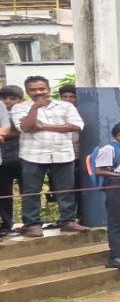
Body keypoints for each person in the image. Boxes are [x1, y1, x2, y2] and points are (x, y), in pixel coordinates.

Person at [12, 75, 87, 236]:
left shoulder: (65, 106)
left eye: (41, 88)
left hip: (63, 154)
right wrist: (35, 108)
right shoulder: (20, 108)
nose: (38, 92)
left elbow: (76, 126)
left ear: (48, 89)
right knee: (31, 190)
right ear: (27, 91)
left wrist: (44, 126)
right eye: (33, 90)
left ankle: (68, 221)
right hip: (32, 155)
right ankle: (32, 224)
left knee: (66, 189)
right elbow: (26, 127)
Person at [92, 123, 120, 268]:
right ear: (118, 135)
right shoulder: (109, 149)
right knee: (117, 221)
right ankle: (116, 256)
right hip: (115, 186)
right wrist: (119, 176)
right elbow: (99, 170)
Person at [0, 85, 23, 235]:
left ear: (20, 100)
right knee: (4, 193)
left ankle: (31, 222)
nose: (8, 101)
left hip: (23, 158)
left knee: (28, 191)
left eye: (12, 98)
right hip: (3, 161)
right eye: (4, 98)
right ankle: (6, 224)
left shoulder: (24, 112)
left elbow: (25, 129)